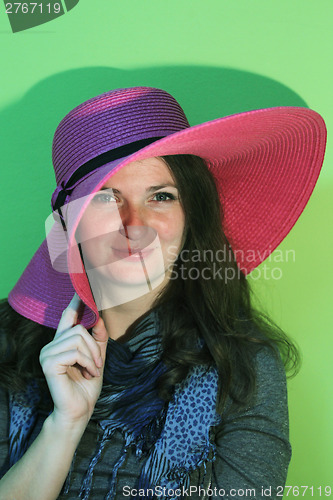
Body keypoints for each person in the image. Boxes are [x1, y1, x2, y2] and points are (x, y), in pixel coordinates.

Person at [0, 87, 327, 500]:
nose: (134, 224)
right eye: (106, 197)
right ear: (72, 223)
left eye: (161, 197)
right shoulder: (8, 343)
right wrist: (63, 425)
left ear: (191, 216)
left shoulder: (242, 364)